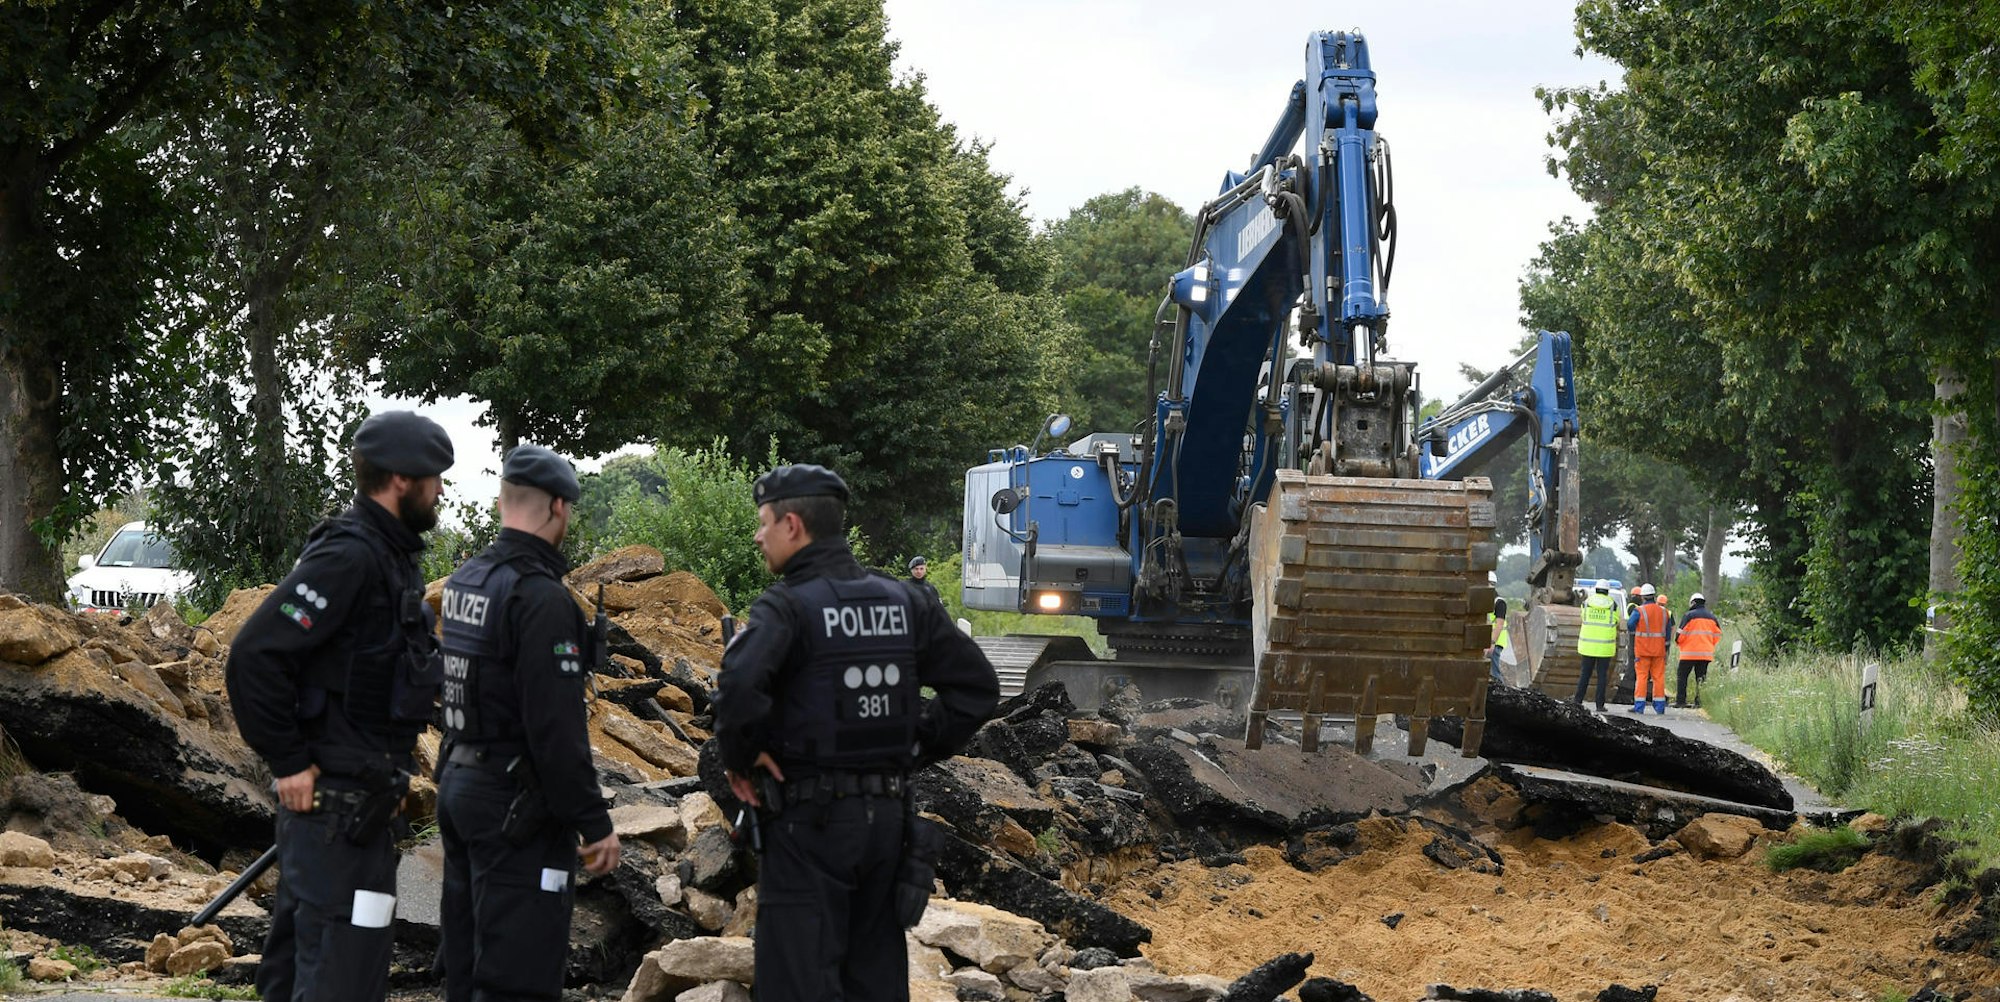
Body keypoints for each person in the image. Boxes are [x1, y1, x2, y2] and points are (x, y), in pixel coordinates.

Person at [713, 464, 999, 1002]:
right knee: (875, 979)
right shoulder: (906, 601)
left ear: (792, 525)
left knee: (797, 982)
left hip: (809, 823)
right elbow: (978, 688)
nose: (757, 535)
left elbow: (740, 686)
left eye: (763, 523)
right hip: (888, 825)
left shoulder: (787, 605)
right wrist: (910, 746)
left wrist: (743, 758)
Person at [225, 410, 453, 1002]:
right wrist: (289, 760)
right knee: (342, 976)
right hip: (334, 808)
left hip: (359, 811)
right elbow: (254, 655)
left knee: (301, 969)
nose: (441, 491)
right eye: (434, 478)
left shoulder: (391, 556)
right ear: (401, 480)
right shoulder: (351, 556)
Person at [436, 445, 620, 1002]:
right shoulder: (540, 598)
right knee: (519, 977)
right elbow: (556, 729)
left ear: (501, 502)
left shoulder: (467, 580)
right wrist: (594, 821)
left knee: (468, 968)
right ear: (560, 507)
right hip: (513, 808)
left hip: (462, 785)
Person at [1627, 583, 1673, 714]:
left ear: (1642, 597)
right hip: (1659, 650)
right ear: (1654, 596)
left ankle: (1639, 707)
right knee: (1658, 678)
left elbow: (1630, 624)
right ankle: (1659, 707)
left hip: (1642, 650)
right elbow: (1668, 632)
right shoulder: (1664, 612)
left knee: (1641, 677)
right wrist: (1666, 649)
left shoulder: (1639, 611)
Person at [1573, 582, 1619, 712]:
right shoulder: (1613, 605)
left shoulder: (1586, 603)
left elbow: (1583, 617)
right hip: (1604, 647)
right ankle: (1599, 705)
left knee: (1585, 675)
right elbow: (1616, 621)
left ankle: (1577, 701)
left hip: (1587, 645)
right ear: (1607, 591)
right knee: (1602, 676)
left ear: (1596, 589)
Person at [1674, 592, 1722, 708]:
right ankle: (1699, 702)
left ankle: (1681, 701)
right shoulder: (1712, 617)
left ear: (1693, 602)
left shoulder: (1689, 616)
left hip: (1688, 654)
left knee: (1682, 676)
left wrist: (1680, 643)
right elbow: (1717, 635)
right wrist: (1708, 645)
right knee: (1701, 679)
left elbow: (1680, 635)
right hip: (1705, 654)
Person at [1486, 597, 1510, 686]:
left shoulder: (1499, 603)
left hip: (1495, 643)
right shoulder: (1486, 601)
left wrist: (1492, 643)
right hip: (1488, 642)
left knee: (1494, 673)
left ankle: (1501, 691)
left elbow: (1499, 624)